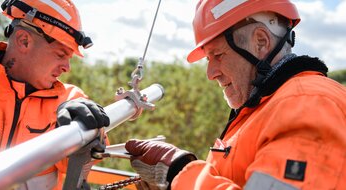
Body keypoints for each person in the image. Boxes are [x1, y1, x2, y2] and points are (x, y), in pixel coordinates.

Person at [125, 0, 346, 189]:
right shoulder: (263, 109)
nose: (210, 74)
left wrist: (177, 172)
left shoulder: (308, 105)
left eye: (218, 55)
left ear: (261, 42)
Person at [0, 0, 109, 189]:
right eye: (60, 54)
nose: (67, 67)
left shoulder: (69, 100)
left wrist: (86, 131)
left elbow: (85, 157)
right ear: (24, 41)